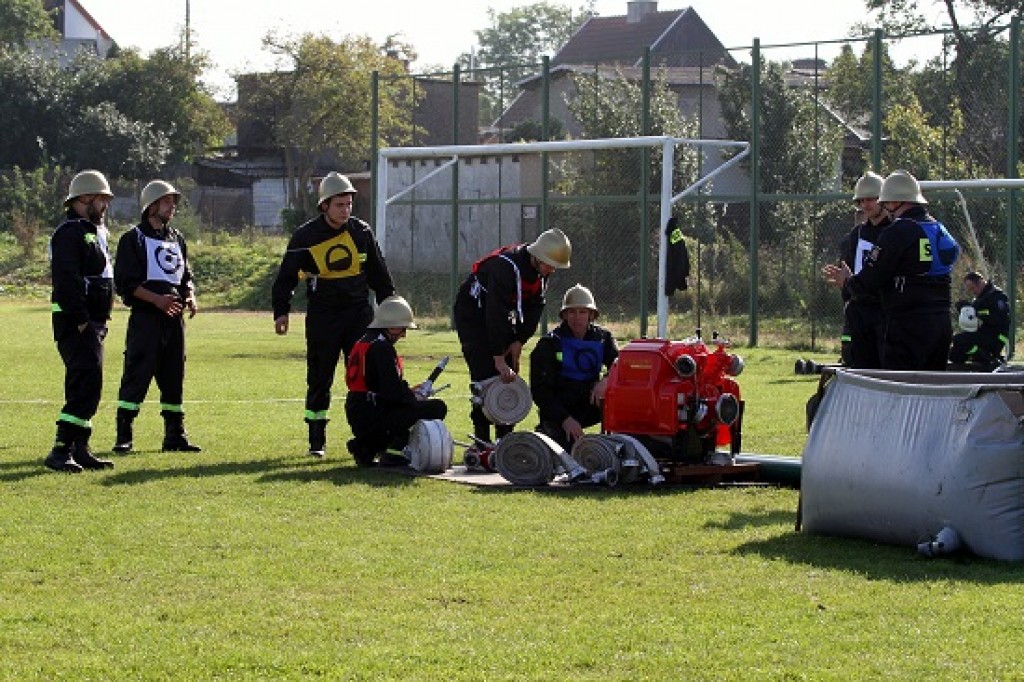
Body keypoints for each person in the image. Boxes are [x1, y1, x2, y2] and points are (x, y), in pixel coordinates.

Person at [272, 171, 395, 457]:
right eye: (339, 204)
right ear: (324, 205)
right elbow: (287, 276)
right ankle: (317, 441)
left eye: (349, 204)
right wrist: (281, 311)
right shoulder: (305, 236)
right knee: (319, 376)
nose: (346, 210)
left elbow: (379, 273)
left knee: (367, 375)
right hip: (323, 317)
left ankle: (369, 436)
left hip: (359, 315)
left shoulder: (361, 232)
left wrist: (391, 308)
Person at [824, 170, 959, 371]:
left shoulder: (898, 231)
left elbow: (870, 279)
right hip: (941, 323)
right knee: (932, 390)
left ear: (895, 202)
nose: (886, 210)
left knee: (897, 389)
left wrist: (848, 282)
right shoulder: (938, 228)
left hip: (908, 325)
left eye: (885, 203)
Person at [453, 228, 572, 446]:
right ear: (538, 257)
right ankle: (481, 440)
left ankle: (504, 440)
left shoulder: (540, 274)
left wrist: (518, 341)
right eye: (550, 265)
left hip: (498, 314)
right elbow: (495, 312)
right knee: (485, 375)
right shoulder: (505, 268)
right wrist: (498, 356)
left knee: (508, 376)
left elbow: (534, 308)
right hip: (473, 314)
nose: (552, 271)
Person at [111, 180, 201, 453]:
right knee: (137, 374)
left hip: (174, 321)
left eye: (174, 201)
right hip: (146, 320)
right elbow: (126, 284)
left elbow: (185, 276)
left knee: (174, 375)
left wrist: (190, 295)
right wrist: (157, 301)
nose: (172, 206)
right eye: (166, 201)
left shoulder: (177, 238)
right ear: (151, 205)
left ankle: (175, 435)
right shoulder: (133, 239)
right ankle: (124, 435)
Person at [44, 170, 116, 473]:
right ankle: (60, 450)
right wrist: (81, 320)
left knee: (91, 382)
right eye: (102, 199)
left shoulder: (92, 230)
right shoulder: (69, 233)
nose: (105, 206)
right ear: (84, 199)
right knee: (84, 381)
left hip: (92, 321)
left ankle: (80, 447)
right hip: (77, 322)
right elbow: (67, 279)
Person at [344, 296, 448, 467]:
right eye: (402, 329)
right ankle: (393, 453)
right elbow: (391, 392)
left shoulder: (364, 341)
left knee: (407, 409)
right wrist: (414, 398)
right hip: (374, 412)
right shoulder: (382, 348)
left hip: (359, 409)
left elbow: (380, 383)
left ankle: (366, 446)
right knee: (436, 408)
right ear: (392, 326)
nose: (403, 334)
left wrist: (410, 392)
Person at [529, 284, 618, 452]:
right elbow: (541, 392)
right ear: (564, 315)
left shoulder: (603, 338)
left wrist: (606, 380)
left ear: (591, 315)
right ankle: (549, 432)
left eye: (583, 312)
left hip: (590, 403)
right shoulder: (549, 345)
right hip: (560, 408)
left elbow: (619, 362)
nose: (577, 318)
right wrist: (565, 419)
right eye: (572, 312)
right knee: (564, 456)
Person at [837, 171, 890, 369]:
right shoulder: (856, 235)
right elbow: (847, 269)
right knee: (859, 365)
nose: (866, 205)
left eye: (872, 199)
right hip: (859, 309)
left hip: (885, 310)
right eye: (862, 200)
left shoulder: (894, 231)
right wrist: (844, 285)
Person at [949, 271, 1010, 366]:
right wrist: (965, 309)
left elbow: (1000, 320)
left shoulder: (997, 297)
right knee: (954, 355)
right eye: (970, 290)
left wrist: (976, 313)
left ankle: (989, 359)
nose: (973, 292)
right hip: (982, 334)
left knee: (960, 339)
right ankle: (979, 357)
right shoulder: (979, 299)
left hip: (996, 337)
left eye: (973, 288)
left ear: (981, 282)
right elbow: (972, 319)